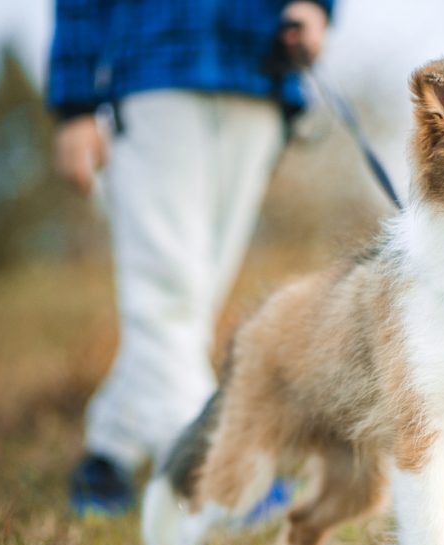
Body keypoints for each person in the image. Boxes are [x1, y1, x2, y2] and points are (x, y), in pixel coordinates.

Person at [47, 0, 334, 515]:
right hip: (152, 71)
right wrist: (74, 105)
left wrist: (315, 7)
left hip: (259, 77)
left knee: (190, 301)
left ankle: (109, 452)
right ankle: (215, 479)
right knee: (169, 292)